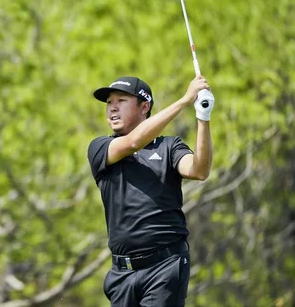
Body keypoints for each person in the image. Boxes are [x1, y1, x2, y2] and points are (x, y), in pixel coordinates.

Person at [87, 75, 215, 307]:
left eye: (121, 100)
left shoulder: (169, 147)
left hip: (165, 268)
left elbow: (199, 170)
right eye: (109, 102)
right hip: (121, 274)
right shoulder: (100, 148)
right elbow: (134, 142)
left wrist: (203, 118)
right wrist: (184, 100)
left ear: (144, 106)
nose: (112, 108)